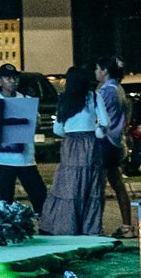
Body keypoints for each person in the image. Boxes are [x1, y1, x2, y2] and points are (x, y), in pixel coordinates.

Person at [39, 64, 108, 236]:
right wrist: (97, 129)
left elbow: (57, 129)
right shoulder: (93, 97)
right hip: (89, 143)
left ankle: (66, 226)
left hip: (70, 143)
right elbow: (105, 122)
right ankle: (89, 228)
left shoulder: (64, 99)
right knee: (90, 185)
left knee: (68, 185)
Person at [0, 62, 46, 213]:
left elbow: (36, 126)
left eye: (14, 77)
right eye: (7, 77)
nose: (12, 81)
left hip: (27, 160)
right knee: (5, 200)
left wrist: (36, 122)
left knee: (40, 196)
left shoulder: (27, 100)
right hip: (4, 160)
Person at [94, 57, 134, 236]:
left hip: (105, 142)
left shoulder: (105, 92)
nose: (95, 72)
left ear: (104, 71)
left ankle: (96, 226)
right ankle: (127, 226)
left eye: (97, 69)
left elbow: (96, 115)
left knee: (99, 186)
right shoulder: (119, 89)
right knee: (118, 185)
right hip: (117, 142)